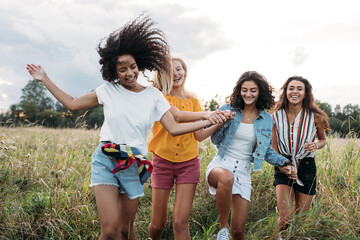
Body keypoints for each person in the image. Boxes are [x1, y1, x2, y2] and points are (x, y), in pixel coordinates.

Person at [26, 16, 220, 240]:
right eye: (122, 69)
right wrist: (44, 78)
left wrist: (209, 118)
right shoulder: (108, 90)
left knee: (126, 231)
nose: (129, 73)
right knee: (109, 231)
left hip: (133, 162)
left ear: (140, 65)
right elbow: (72, 104)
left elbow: (175, 126)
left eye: (133, 67)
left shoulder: (153, 96)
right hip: (105, 158)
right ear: (113, 71)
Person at [196, 71, 295, 240]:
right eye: (244, 89)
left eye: (253, 90)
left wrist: (284, 162)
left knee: (239, 232)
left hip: (243, 172)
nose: (248, 94)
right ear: (239, 91)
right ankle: (222, 228)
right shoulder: (227, 109)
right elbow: (208, 137)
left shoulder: (266, 119)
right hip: (221, 165)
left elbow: (266, 151)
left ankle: (230, 230)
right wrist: (223, 121)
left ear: (260, 92)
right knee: (227, 178)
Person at [147, 56, 234, 240]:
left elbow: (200, 135)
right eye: (170, 70)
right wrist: (209, 114)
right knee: (157, 223)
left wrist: (219, 121)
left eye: (179, 69)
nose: (176, 73)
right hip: (162, 161)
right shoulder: (159, 97)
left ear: (185, 71)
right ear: (162, 75)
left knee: (180, 222)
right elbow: (177, 117)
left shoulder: (193, 100)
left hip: (188, 164)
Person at [271, 76, 330, 235]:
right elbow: (273, 147)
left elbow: (323, 140)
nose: (294, 91)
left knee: (300, 220)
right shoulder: (275, 117)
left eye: (299, 88)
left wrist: (315, 145)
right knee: (285, 218)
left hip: (307, 166)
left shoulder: (315, 116)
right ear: (286, 92)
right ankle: (280, 237)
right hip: (283, 163)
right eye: (291, 88)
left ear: (306, 93)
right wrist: (281, 166)